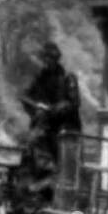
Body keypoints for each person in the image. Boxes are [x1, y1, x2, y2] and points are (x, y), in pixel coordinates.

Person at [21, 42, 81, 173]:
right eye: (45, 58)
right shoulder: (40, 77)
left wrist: (52, 109)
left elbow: (74, 102)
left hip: (64, 124)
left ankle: (50, 167)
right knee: (33, 139)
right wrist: (37, 106)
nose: (46, 62)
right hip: (45, 121)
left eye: (50, 58)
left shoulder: (67, 78)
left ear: (56, 59)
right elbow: (25, 96)